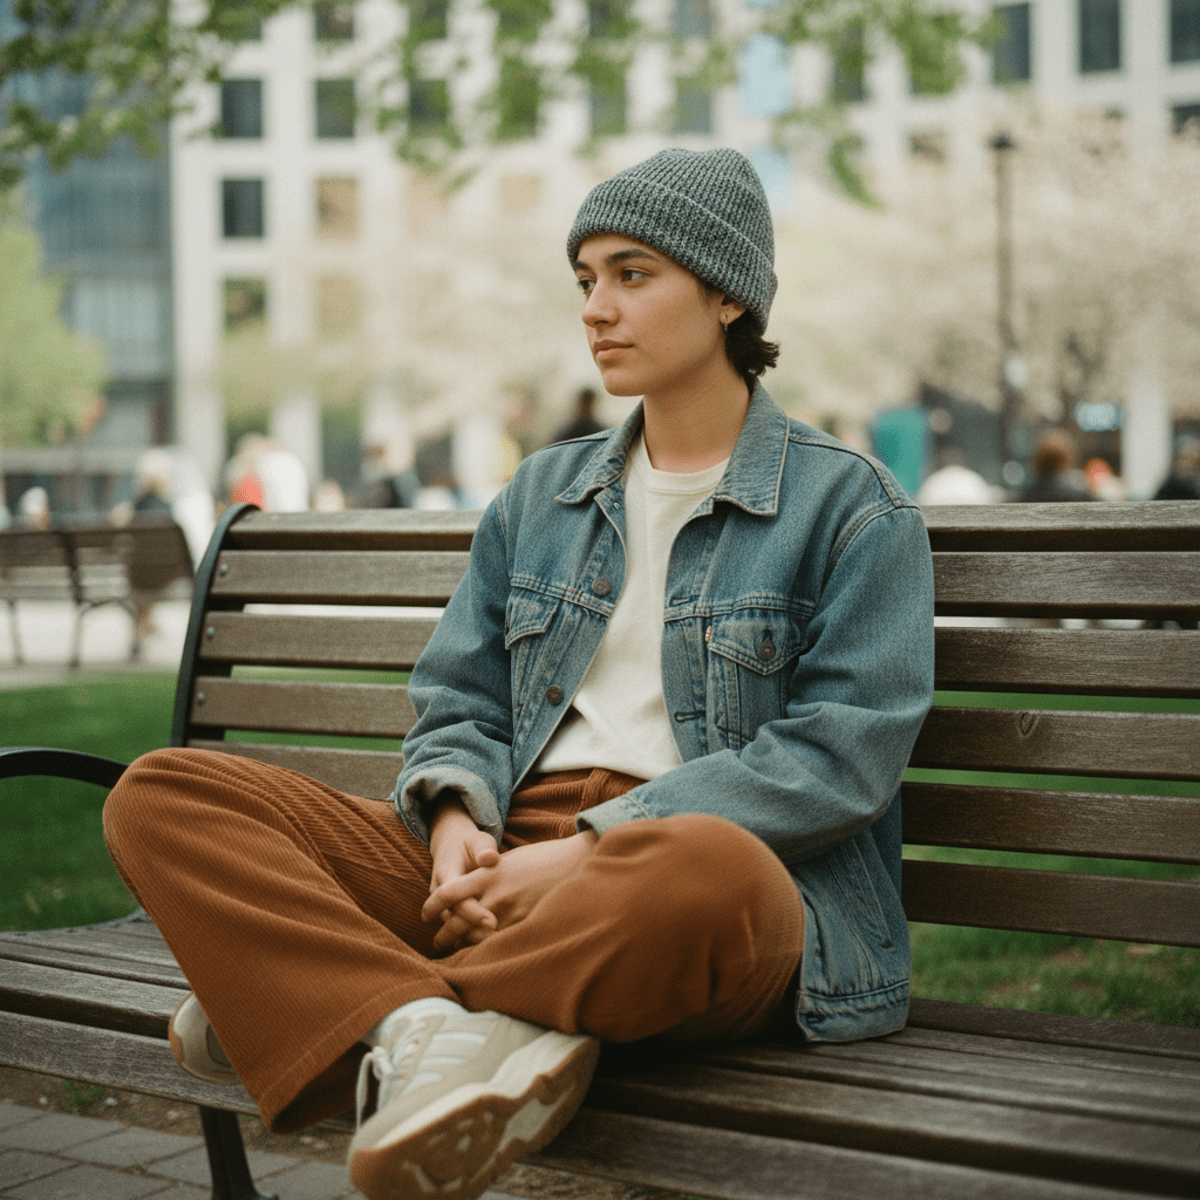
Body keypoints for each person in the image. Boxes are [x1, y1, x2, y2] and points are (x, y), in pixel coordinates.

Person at [102, 149, 935, 1200]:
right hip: (501, 860)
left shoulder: (851, 509)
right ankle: (419, 1027)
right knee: (165, 795)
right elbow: (460, 699)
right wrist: (455, 827)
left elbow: (838, 761)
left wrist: (589, 852)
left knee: (702, 875)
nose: (597, 307)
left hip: (692, 878)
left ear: (727, 292)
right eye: (585, 278)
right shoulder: (542, 495)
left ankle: (316, 1007)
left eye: (633, 275)